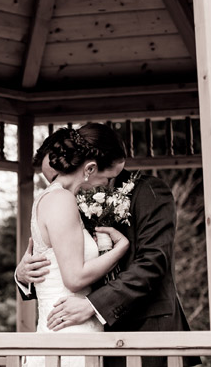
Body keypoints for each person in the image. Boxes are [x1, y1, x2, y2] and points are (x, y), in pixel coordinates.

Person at [16, 132, 198, 367]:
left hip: (145, 329)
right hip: (85, 327)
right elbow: (58, 259)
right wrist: (22, 275)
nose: (56, 181)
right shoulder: (67, 198)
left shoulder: (150, 192)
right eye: (52, 175)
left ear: (88, 165)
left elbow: (153, 261)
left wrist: (94, 304)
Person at [18, 123, 129, 367]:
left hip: (70, 326)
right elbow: (75, 278)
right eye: (108, 177)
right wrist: (121, 249)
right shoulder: (61, 200)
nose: (108, 185)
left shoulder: (54, 198)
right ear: (90, 168)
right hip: (69, 332)